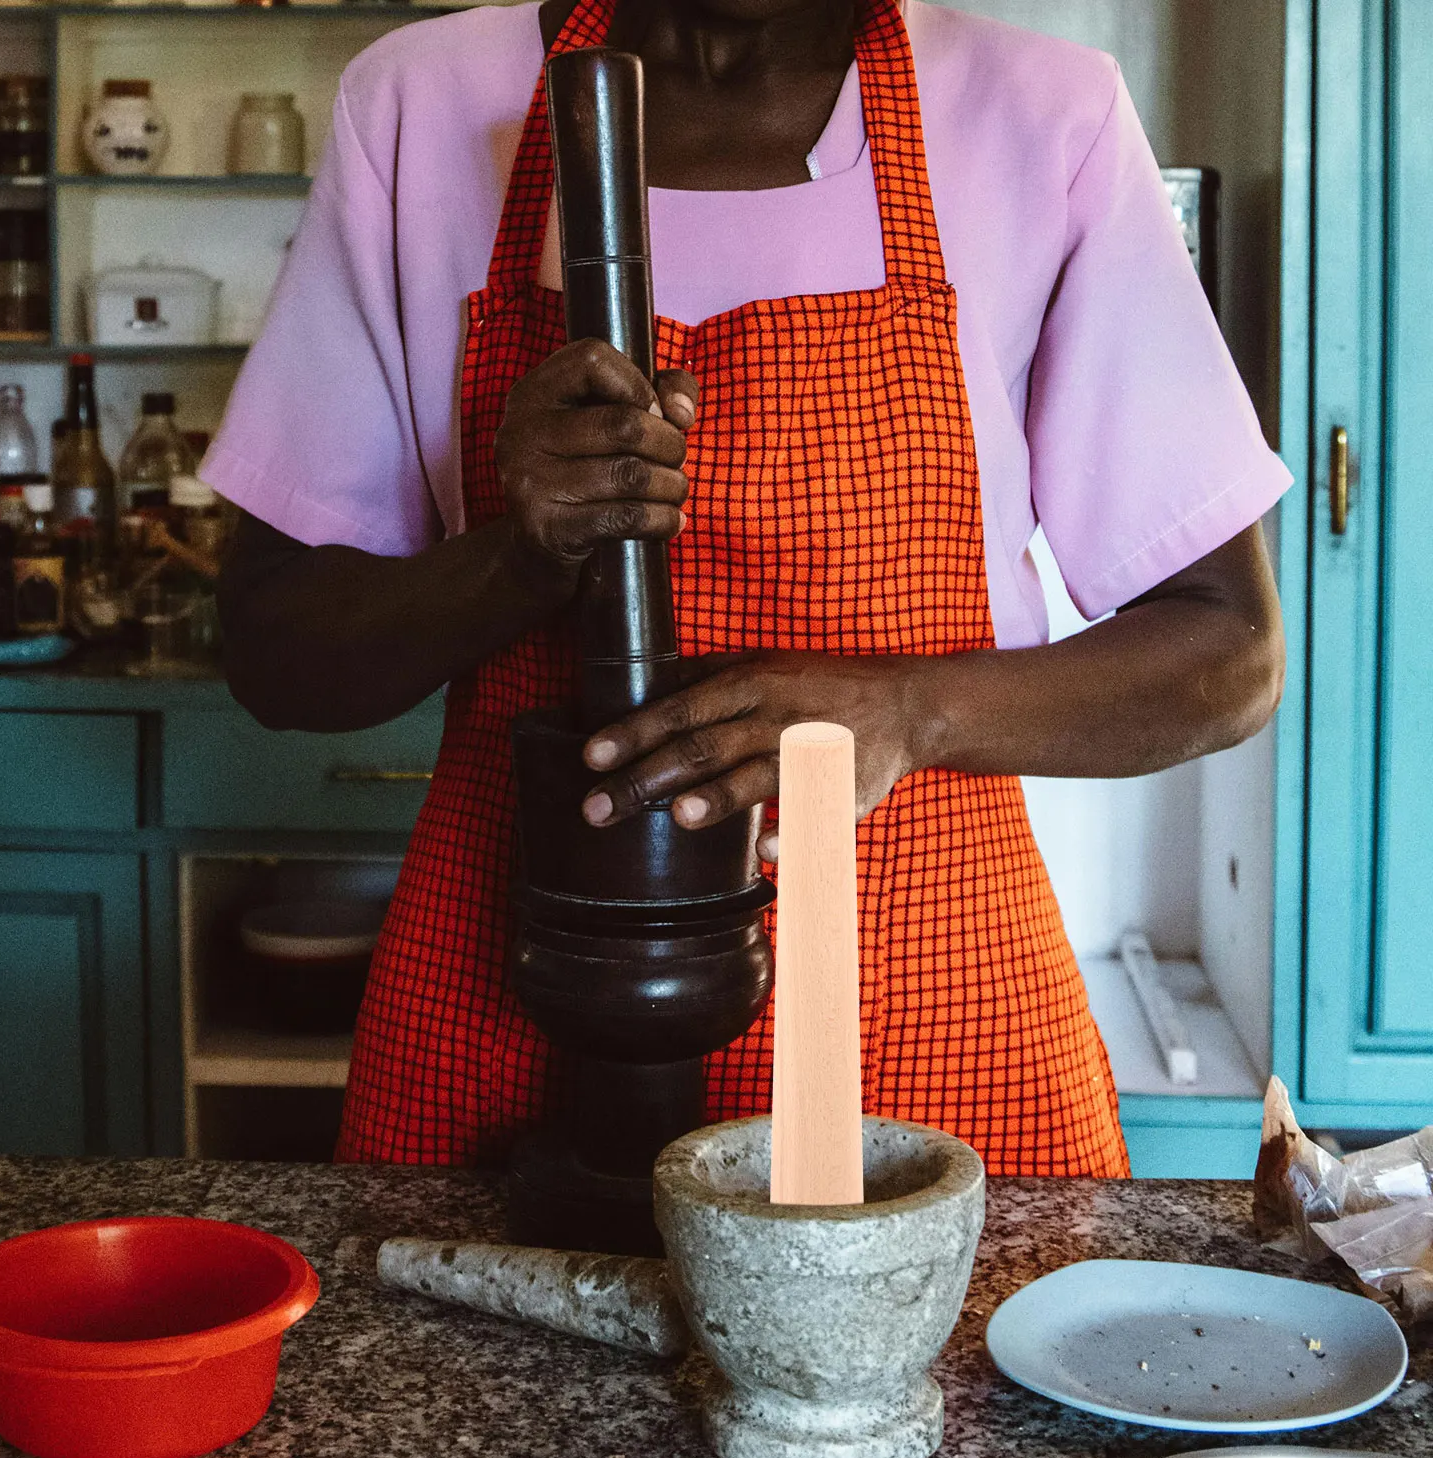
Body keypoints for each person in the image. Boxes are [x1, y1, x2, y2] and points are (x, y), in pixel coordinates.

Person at [205, 0, 1291, 1179]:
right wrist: (520, 559)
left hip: (920, 1007)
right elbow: (275, 647)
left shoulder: (1040, 117)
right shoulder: (423, 105)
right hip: (519, 989)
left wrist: (906, 712)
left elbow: (1227, 651)